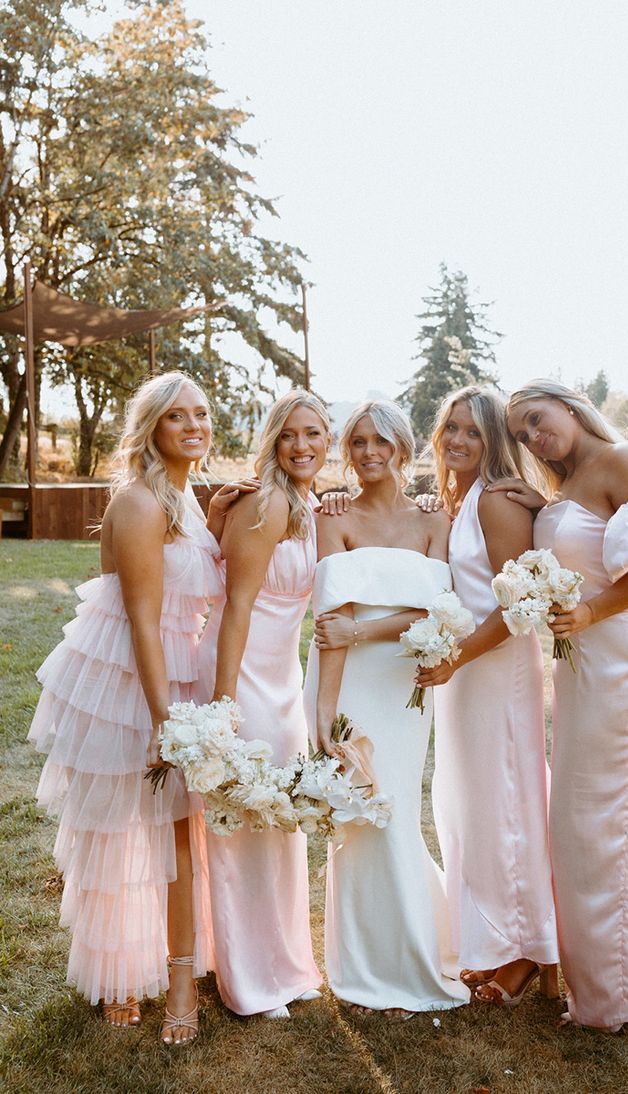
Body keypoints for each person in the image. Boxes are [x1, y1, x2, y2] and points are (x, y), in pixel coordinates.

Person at [28, 371, 229, 1044]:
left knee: (180, 834)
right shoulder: (141, 503)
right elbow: (142, 620)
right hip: (131, 682)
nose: (195, 426)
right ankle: (119, 977)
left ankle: (180, 978)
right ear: (152, 429)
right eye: (179, 417)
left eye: (202, 414)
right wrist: (161, 719)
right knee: (121, 834)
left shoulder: (188, 496)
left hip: (178, 672)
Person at [500, 379, 628, 1031]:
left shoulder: (623, 461)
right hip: (583, 670)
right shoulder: (565, 485)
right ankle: (608, 978)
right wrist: (536, 503)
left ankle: (613, 997)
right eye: (522, 433)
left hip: (625, 662)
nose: (532, 435)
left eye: (537, 418)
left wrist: (588, 610)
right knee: (580, 826)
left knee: (607, 824)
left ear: (570, 403)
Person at [304, 400, 469, 1017]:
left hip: (404, 686)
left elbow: (438, 613)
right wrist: (324, 711)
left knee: (395, 810)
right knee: (356, 817)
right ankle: (364, 967)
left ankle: (416, 955)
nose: (369, 453)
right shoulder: (333, 516)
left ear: (404, 449)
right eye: (358, 444)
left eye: (381, 442)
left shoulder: (434, 519)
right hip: (345, 683)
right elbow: (331, 619)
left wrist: (366, 634)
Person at [412, 385, 559, 1009]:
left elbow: (518, 606)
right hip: (462, 675)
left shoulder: (498, 501)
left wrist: (457, 657)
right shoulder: (455, 500)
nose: (458, 440)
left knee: (504, 802)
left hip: (494, 671)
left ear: (494, 439)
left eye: (473, 431)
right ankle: (489, 937)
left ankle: (527, 949)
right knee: (467, 803)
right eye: (451, 428)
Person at [194, 389, 327, 1019]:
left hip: (282, 680)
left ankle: (286, 963)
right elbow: (237, 605)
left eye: (314, 434)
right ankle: (249, 980)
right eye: (289, 435)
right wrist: (224, 701)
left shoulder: (307, 503)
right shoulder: (269, 501)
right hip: (243, 676)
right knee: (242, 825)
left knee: (276, 824)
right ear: (273, 441)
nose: (301, 446)